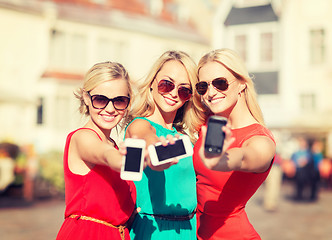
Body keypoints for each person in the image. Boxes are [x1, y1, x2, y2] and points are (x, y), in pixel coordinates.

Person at [193, 48, 276, 240]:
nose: (211, 93)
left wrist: (223, 160)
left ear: (241, 84)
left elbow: (248, 157)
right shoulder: (207, 123)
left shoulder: (260, 139)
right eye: (203, 87)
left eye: (220, 83)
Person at [124, 50, 203, 239]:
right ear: (152, 83)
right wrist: (158, 152)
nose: (174, 94)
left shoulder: (186, 136)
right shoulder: (139, 124)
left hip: (189, 230)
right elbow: (148, 144)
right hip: (153, 231)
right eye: (167, 84)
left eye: (184, 90)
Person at [56, 62, 136, 240]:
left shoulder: (114, 144)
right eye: (100, 99)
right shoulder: (82, 137)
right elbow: (106, 155)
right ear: (86, 97)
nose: (110, 109)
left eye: (119, 100)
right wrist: (123, 159)